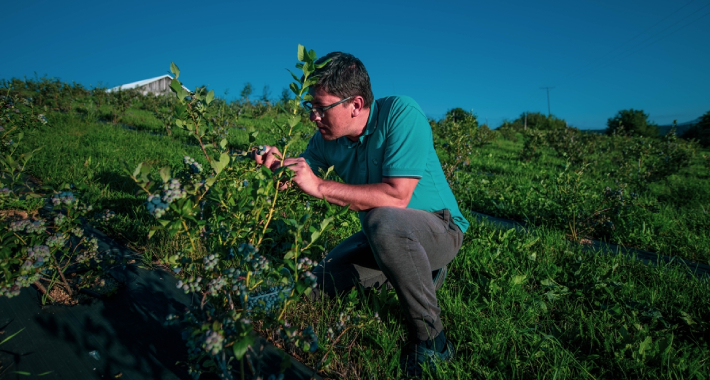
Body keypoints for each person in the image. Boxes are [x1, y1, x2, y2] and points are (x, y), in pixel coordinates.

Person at [254, 52, 469, 377]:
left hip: (439, 227)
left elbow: (397, 197)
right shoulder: (327, 138)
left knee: (381, 218)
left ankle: (433, 339)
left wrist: (320, 187)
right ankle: (413, 273)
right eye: (309, 107)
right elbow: (301, 173)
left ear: (355, 104)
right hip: (384, 233)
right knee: (319, 282)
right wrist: (276, 166)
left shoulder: (401, 114)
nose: (313, 116)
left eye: (320, 108)